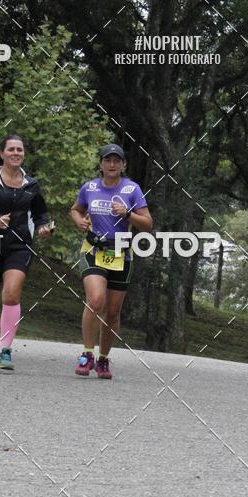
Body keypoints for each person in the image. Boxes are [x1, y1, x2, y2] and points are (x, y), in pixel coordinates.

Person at [0, 135, 53, 371]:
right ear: (2, 153)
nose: (16, 153)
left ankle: (5, 350)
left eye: (20, 150)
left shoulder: (31, 184)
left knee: (12, 294)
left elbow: (40, 215)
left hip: (20, 246)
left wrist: (45, 228)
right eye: (11, 149)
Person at [70, 144, 152, 379]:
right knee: (95, 301)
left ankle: (104, 359)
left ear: (123, 165)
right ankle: (87, 354)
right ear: (101, 164)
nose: (112, 164)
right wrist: (79, 221)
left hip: (121, 255)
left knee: (113, 313)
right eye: (108, 160)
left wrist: (127, 213)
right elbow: (75, 210)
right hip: (93, 250)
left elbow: (147, 224)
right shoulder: (90, 187)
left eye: (117, 160)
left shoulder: (132, 189)